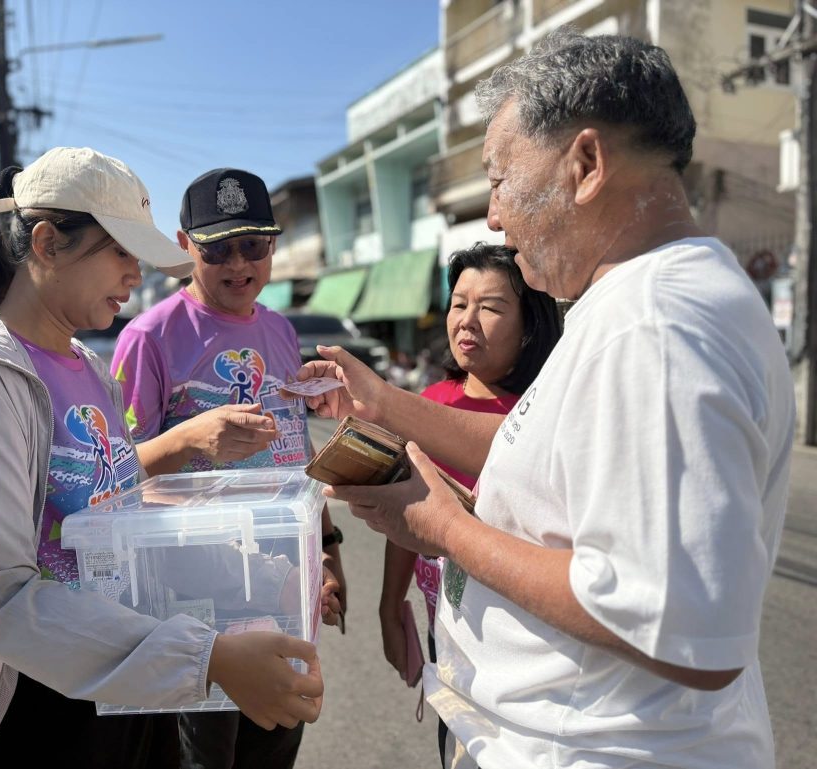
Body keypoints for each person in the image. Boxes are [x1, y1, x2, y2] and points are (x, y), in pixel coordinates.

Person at [300, 29, 794, 769]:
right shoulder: (635, 300)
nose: (494, 216)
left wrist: (448, 530)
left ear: (585, 165)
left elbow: (681, 627)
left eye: (501, 179)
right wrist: (383, 404)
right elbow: (539, 452)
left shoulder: (653, 325)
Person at [0, 148, 323, 769]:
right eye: (119, 251)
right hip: (40, 708)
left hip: (127, 693)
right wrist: (206, 658)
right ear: (47, 244)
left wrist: (266, 576)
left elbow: (126, 521)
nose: (135, 275)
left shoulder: (90, 370)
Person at [110, 167, 345, 769]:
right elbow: (115, 480)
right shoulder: (149, 337)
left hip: (284, 587)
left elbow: (295, 455)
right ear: (185, 245)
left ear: (273, 246)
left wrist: (326, 553)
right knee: (204, 757)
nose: (239, 264)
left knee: (276, 744)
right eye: (218, 249)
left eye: (254, 245)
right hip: (197, 600)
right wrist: (190, 440)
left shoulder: (281, 329)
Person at [379, 242, 561, 763]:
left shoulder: (548, 412)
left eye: (491, 307)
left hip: (523, 648)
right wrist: (390, 605)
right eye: (459, 304)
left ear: (529, 324)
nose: (467, 320)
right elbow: (408, 513)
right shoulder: (429, 404)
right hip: (446, 632)